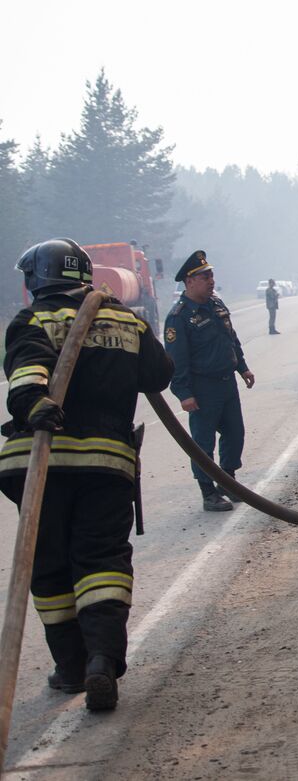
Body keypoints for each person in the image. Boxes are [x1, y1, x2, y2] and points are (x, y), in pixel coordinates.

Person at [2, 238, 174, 711]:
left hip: (42, 464)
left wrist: (36, 405)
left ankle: (72, 668)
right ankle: (103, 659)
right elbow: (160, 375)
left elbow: (26, 376)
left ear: (35, 279)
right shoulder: (124, 318)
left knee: (50, 567)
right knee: (102, 562)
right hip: (104, 466)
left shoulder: (31, 321)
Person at [164, 250, 255, 512]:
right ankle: (208, 493)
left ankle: (228, 482)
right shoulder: (179, 317)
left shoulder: (217, 305)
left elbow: (231, 339)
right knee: (203, 443)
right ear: (190, 281)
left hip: (227, 383)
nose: (211, 280)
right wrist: (184, 393)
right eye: (205, 276)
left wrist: (243, 368)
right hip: (202, 388)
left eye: (211, 275)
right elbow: (176, 360)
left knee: (235, 433)